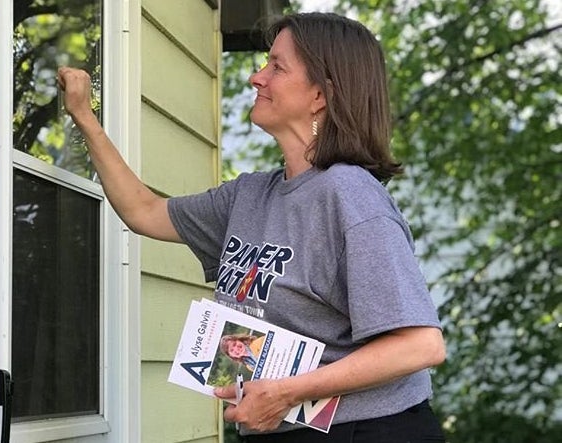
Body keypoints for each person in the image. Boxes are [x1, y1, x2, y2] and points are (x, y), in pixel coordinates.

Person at [58, 11, 446, 443]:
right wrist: (84, 116)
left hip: (369, 431)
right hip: (276, 426)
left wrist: (285, 392)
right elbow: (144, 210)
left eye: (276, 66)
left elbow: (420, 345)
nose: (256, 78)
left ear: (321, 93)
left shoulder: (351, 196)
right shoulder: (249, 196)